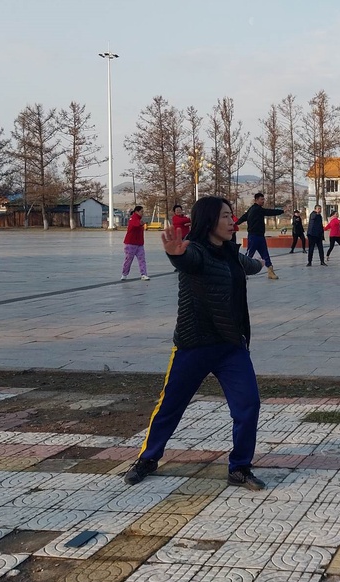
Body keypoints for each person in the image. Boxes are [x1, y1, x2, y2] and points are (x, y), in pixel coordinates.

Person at [123, 195, 266, 490]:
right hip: (194, 345)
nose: (232, 221)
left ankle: (239, 467)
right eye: (225, 216)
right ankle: (148, 459)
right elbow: (187, 260)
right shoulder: (196, 251)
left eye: (232, 215)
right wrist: (175, 254)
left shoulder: (229, 253)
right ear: (209, 220)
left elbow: (246, 266)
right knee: (170, 406)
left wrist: (258, 265)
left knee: (248, 405)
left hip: (230, 347)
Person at [235, 192, 284, 280]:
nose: (263, 201)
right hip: (253, 236)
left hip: (260, 236)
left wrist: (237, 222)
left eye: (263, 199)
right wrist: (281, 211)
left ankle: (270, 271)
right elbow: (269, 212)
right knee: (249, 254)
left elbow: (243, 218)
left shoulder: (252, 209)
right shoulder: (256, 209)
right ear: (256, 200)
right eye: (262, 199)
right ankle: (241, 272)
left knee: (265, 254)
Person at [121, 205, 149, 281]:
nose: (143, 213)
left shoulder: (139, 219)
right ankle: (124, 274)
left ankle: (144, 274)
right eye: (141, 211)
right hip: (130, 243)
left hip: (139, 244)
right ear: (136, 211)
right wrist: (140, 223)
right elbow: (135, 224)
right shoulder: (133, 218)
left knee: (142, 259)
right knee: (129, 259)